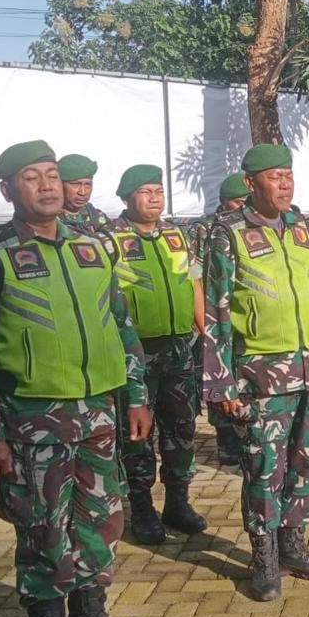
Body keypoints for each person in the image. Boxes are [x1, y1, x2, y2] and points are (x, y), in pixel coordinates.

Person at [0, 140, 151, 617]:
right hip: (32, 420)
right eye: (31, 177)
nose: (47, 185)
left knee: (102, 521)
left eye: (52, 175)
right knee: (42, 529)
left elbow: (120, 325)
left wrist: (136, 396)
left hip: (99, 413)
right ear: (8, 189)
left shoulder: (92, 245)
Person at [202, 143, 309, 601]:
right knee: (265, 468)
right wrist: (220, 380)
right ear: (251, 183)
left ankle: (293, 545)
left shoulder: (302, 228)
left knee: (306, 463)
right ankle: (264, 556)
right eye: (275, 176)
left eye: (289, 175)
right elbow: (216, 309)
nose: (285, 184)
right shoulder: (228, 233)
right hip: (260, 376)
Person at [99, 165, 207, 546]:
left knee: (182, 428)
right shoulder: (109, 240)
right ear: (127, 197)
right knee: (137, 435)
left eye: (158, 191)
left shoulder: (177, 235)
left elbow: (194, 283)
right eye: (146, 192)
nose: (155, 198)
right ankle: (142, 508)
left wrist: (206, 332)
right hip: (136, 355)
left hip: (179, 350)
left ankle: (178, 502)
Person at [190, 172, 250, 466]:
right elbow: (195, 276)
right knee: (219, 373)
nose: (243, 207)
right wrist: (203, 323)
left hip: (243, 316)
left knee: (242, 378)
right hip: (214, 311)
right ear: (224, 201)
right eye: (238, 202)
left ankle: (244, 432)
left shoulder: (249, 226)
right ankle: (225, 438)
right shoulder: (205, 228)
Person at [58, 153, 110, 232]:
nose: (82, 192)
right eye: (75, 184)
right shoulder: (47, 220)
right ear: (59, 185)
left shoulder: (98, 217)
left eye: (87, 185)